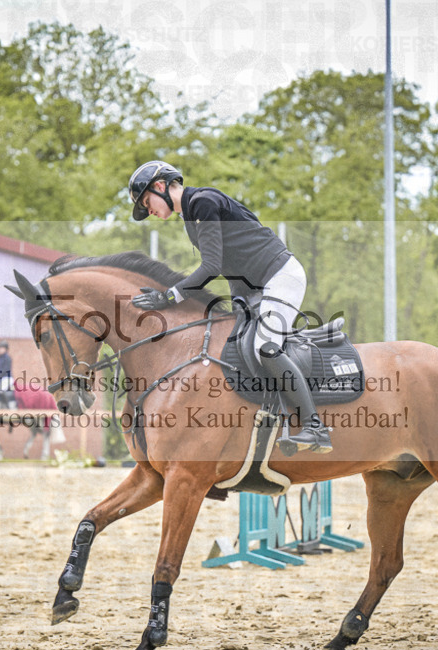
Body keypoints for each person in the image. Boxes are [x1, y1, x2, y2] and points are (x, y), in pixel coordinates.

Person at [127, 160, 331, 453]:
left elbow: (211, 266)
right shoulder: (192, 216)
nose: (149, 211)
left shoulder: (203, 202)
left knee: (266, 347)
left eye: (147, 202)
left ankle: (315, 427)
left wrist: (169, 297)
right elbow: (229, 265)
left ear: (160, 186)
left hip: (280, 276)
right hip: (254, 288)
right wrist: (238, 305)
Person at [0, 340, 17, 409]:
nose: (0, 350)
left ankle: (9, 405)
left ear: (6, 349)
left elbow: (5, 369)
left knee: (1, 389)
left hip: (7, 378)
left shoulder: (8, 358)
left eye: (2, 348)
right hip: (1, 378)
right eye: (0, 348)